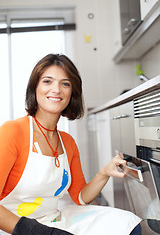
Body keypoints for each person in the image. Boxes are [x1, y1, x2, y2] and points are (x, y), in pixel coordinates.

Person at [0, 54, 142, 235]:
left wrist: (104, 173)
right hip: (16, 229)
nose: (56, 89)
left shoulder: (67, 142)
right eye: (47, 81)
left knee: (128, 224)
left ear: (72, 93)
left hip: (54, 221)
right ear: (34, 88)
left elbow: (79, 197)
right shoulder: (12, 132)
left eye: (65, 84)